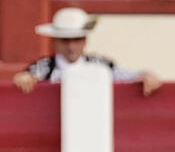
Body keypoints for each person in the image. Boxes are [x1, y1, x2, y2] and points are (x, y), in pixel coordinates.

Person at [11, 7, 161, 96]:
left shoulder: (101, 65)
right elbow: (24, 78)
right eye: (65, 40)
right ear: (55, 41)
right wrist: (22, 79)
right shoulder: (41, 68)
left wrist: (146, 74)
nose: (71, 47)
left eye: (76, 40)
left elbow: (129, 75)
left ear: (85, 41)